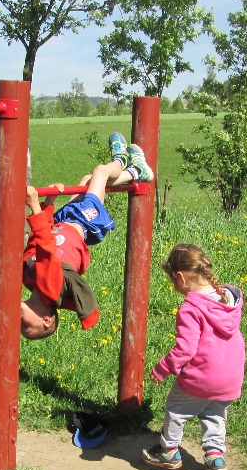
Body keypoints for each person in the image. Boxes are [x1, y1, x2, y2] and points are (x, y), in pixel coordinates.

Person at [20, 132, 153, 340]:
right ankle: (127, 164)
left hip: (63, 221)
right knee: (100, 171)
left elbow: (35, 243)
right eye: (26, 326)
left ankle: (129, 171)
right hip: (84, 222)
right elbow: (45, 248)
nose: (19, 323)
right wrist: (35, 207)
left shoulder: (29, 280)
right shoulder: (51, 289)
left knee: (88, 180)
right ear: (46, 320)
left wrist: (49, 204)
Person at [142, 244, 245, 470]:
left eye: (173, 281)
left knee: (176, 409)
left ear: (181, 277)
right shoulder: (228, 298)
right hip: (231, 375)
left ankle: (168, 452)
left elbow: (185, 349)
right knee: (215, 413)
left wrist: (162, 368)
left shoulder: (190, 308)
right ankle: (215, 457)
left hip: (203, 376)